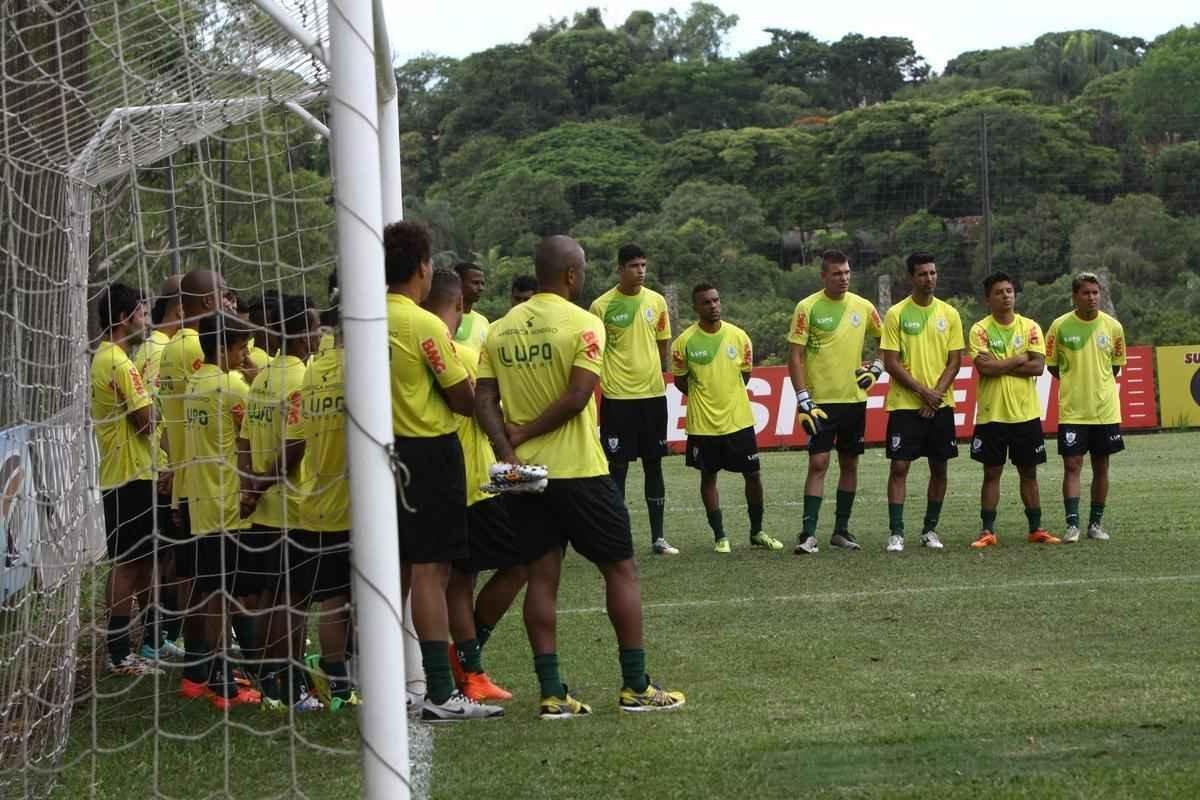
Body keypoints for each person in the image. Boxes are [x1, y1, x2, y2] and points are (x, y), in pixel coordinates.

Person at [476, 235, 685, 718]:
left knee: (542, 579)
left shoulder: (500, 329)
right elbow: (578, 397)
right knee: (621, 569)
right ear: (571, 274)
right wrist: (526, 431)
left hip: (523, 475)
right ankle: (635, 685)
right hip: (579, 470)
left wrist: (509, 450)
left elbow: (484, 399)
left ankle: (552, 693)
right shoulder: (585, 323)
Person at [385, 221, 502, 722]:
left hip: (379, 454)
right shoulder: (423, 325)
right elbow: (462, 398)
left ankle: (380, 678)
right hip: (427, 454)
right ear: (423, 268)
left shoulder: (358, 320)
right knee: (432, 573)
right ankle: (439, 690)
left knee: (396, 573)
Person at [422, 268, 525, 703]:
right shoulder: (460, 354)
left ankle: (471, 670)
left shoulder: (421, 349)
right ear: (460, 305)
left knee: (459, 580)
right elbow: (485, 415)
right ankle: (471, 656)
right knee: (522, 562)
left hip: (442, 482)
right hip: (477, 485)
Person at [239, 295, 322, 710]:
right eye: (314, 327)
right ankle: (290, 687)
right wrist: (256, 487)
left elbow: (242, 440)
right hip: (292, 507)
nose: (319, 334)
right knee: (293, 602)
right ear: (302, 331)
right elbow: (293, 448)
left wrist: (248, 485)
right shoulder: (299, 380)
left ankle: (273, 683)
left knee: (272, 597)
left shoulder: (261, 378)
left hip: (264, 510)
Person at [158, 268, 236, 698]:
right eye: (224, 296)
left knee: (196, 577)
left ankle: (197, 667)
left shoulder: (172, 347)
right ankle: (207, 667)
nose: (228, 303)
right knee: (214, 581)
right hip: (204, 478)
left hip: (186, 474)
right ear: (209, 303)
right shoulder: (194, 347)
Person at [184, 311, 262, 709]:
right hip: (229, 504)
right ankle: (226, 681)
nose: (245, 356)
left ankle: (210, 674)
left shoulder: (194, 382)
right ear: (222, 348)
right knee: (230, 595)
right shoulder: (232, 387)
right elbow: (248, 441)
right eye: (240, 348)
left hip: (200, 502)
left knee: (213, 592)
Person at [671, 283, 782, 554]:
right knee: (708, 476)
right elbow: (680, 382)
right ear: (696, 307)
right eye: (707, 302)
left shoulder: (739, 337)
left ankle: (757, 531)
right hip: (703, 424)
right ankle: (720, 536)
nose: (714, 306)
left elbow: (744, 376)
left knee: (753, 475)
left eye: (716, 300)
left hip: (738, 421)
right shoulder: (683, 342)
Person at [787, 250, 884, 554]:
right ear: (823, 276)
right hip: (820, 401)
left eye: (847, 273)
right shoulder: (808, 307)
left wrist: (877, 369)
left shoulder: (864, 307)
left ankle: (841, 531)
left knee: (849, 463)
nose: (843, 278)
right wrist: (803, 397)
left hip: (854, 400)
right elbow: (795, 355)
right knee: (818, 462)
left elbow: (888, 341)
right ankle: (808, 533)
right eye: (837, 274)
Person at [91, 283, 162, 677]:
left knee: (143, 561)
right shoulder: (119, 362)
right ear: (123, 318)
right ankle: (118, 653)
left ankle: (145, 642)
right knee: (129, 565)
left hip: (132, 472)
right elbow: (146, 421)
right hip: (129, 475)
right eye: (142, 314)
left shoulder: (110, 358)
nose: (146, 322)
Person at [589, 244, 677, 555]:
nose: (640, 271)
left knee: (654, 465)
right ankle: (616, 538)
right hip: (617, 398)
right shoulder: (601, 306)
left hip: (652, 396)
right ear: (620, 270)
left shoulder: (657, 301)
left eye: (643, 265)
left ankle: (658, 538)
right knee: (618, 468)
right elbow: (595, 352)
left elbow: (663, 346)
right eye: (634, 266)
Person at [296, 281, 359, 711]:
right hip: (353, 505)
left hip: (315, 497)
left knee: (331, 599)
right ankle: (342, 685)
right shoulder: (359, 369)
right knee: (343, 600)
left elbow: (297, 438)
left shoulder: (311, 371)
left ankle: (337, 682)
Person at [967, 273, 1060, 548]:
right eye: (999, 292)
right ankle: (987, 530)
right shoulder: (979, 330)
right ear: (988, 299)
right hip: (992, 413)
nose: (1006, 295)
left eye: (1009, 291)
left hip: (1025, 414)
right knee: (991, 472)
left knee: (1028, 473)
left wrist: (1003, 364)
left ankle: (1036, 528)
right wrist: (1020, 358)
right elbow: (984, 368)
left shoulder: (1030, 327)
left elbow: (1038, 366)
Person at [880, 252, 964, 553]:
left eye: (932, 273)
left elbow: (955, 361)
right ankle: (896, 532)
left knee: (939, 468)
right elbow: (891, 362)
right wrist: (922, 392)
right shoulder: (896, 314)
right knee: (899, 467)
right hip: (906, 404)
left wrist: (935, 395)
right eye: (922, 274)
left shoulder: (950, 314)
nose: (929, 279)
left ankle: (930, 529)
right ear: (911, 278)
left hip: (940, 403)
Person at [1045, 272, 1126, 543]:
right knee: (1072, 465)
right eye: (1086, 293)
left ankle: (1095, 524)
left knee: (1101, 466)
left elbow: (1114, 367)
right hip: (1073, 410)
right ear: (1074, 296)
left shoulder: (1114, 328)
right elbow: (1053, 366)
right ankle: (1072, 525)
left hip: (1104, 410)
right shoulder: (1059, 326)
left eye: (1095, 293)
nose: (1092, 298)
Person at [133, 274, 187, 661]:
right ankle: (157, 636)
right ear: (180, 308)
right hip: (159, 468)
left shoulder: (155, 347)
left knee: (164, 556)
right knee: (163, 557)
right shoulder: (160, 350)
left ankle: (161, 634)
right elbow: (155, 415)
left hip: (163, 466)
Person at [452, 262, 489, 348]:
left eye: (482, 284)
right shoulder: (446, 317)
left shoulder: (484, 321)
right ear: (459, 283)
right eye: (475, 283)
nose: (481, 288)